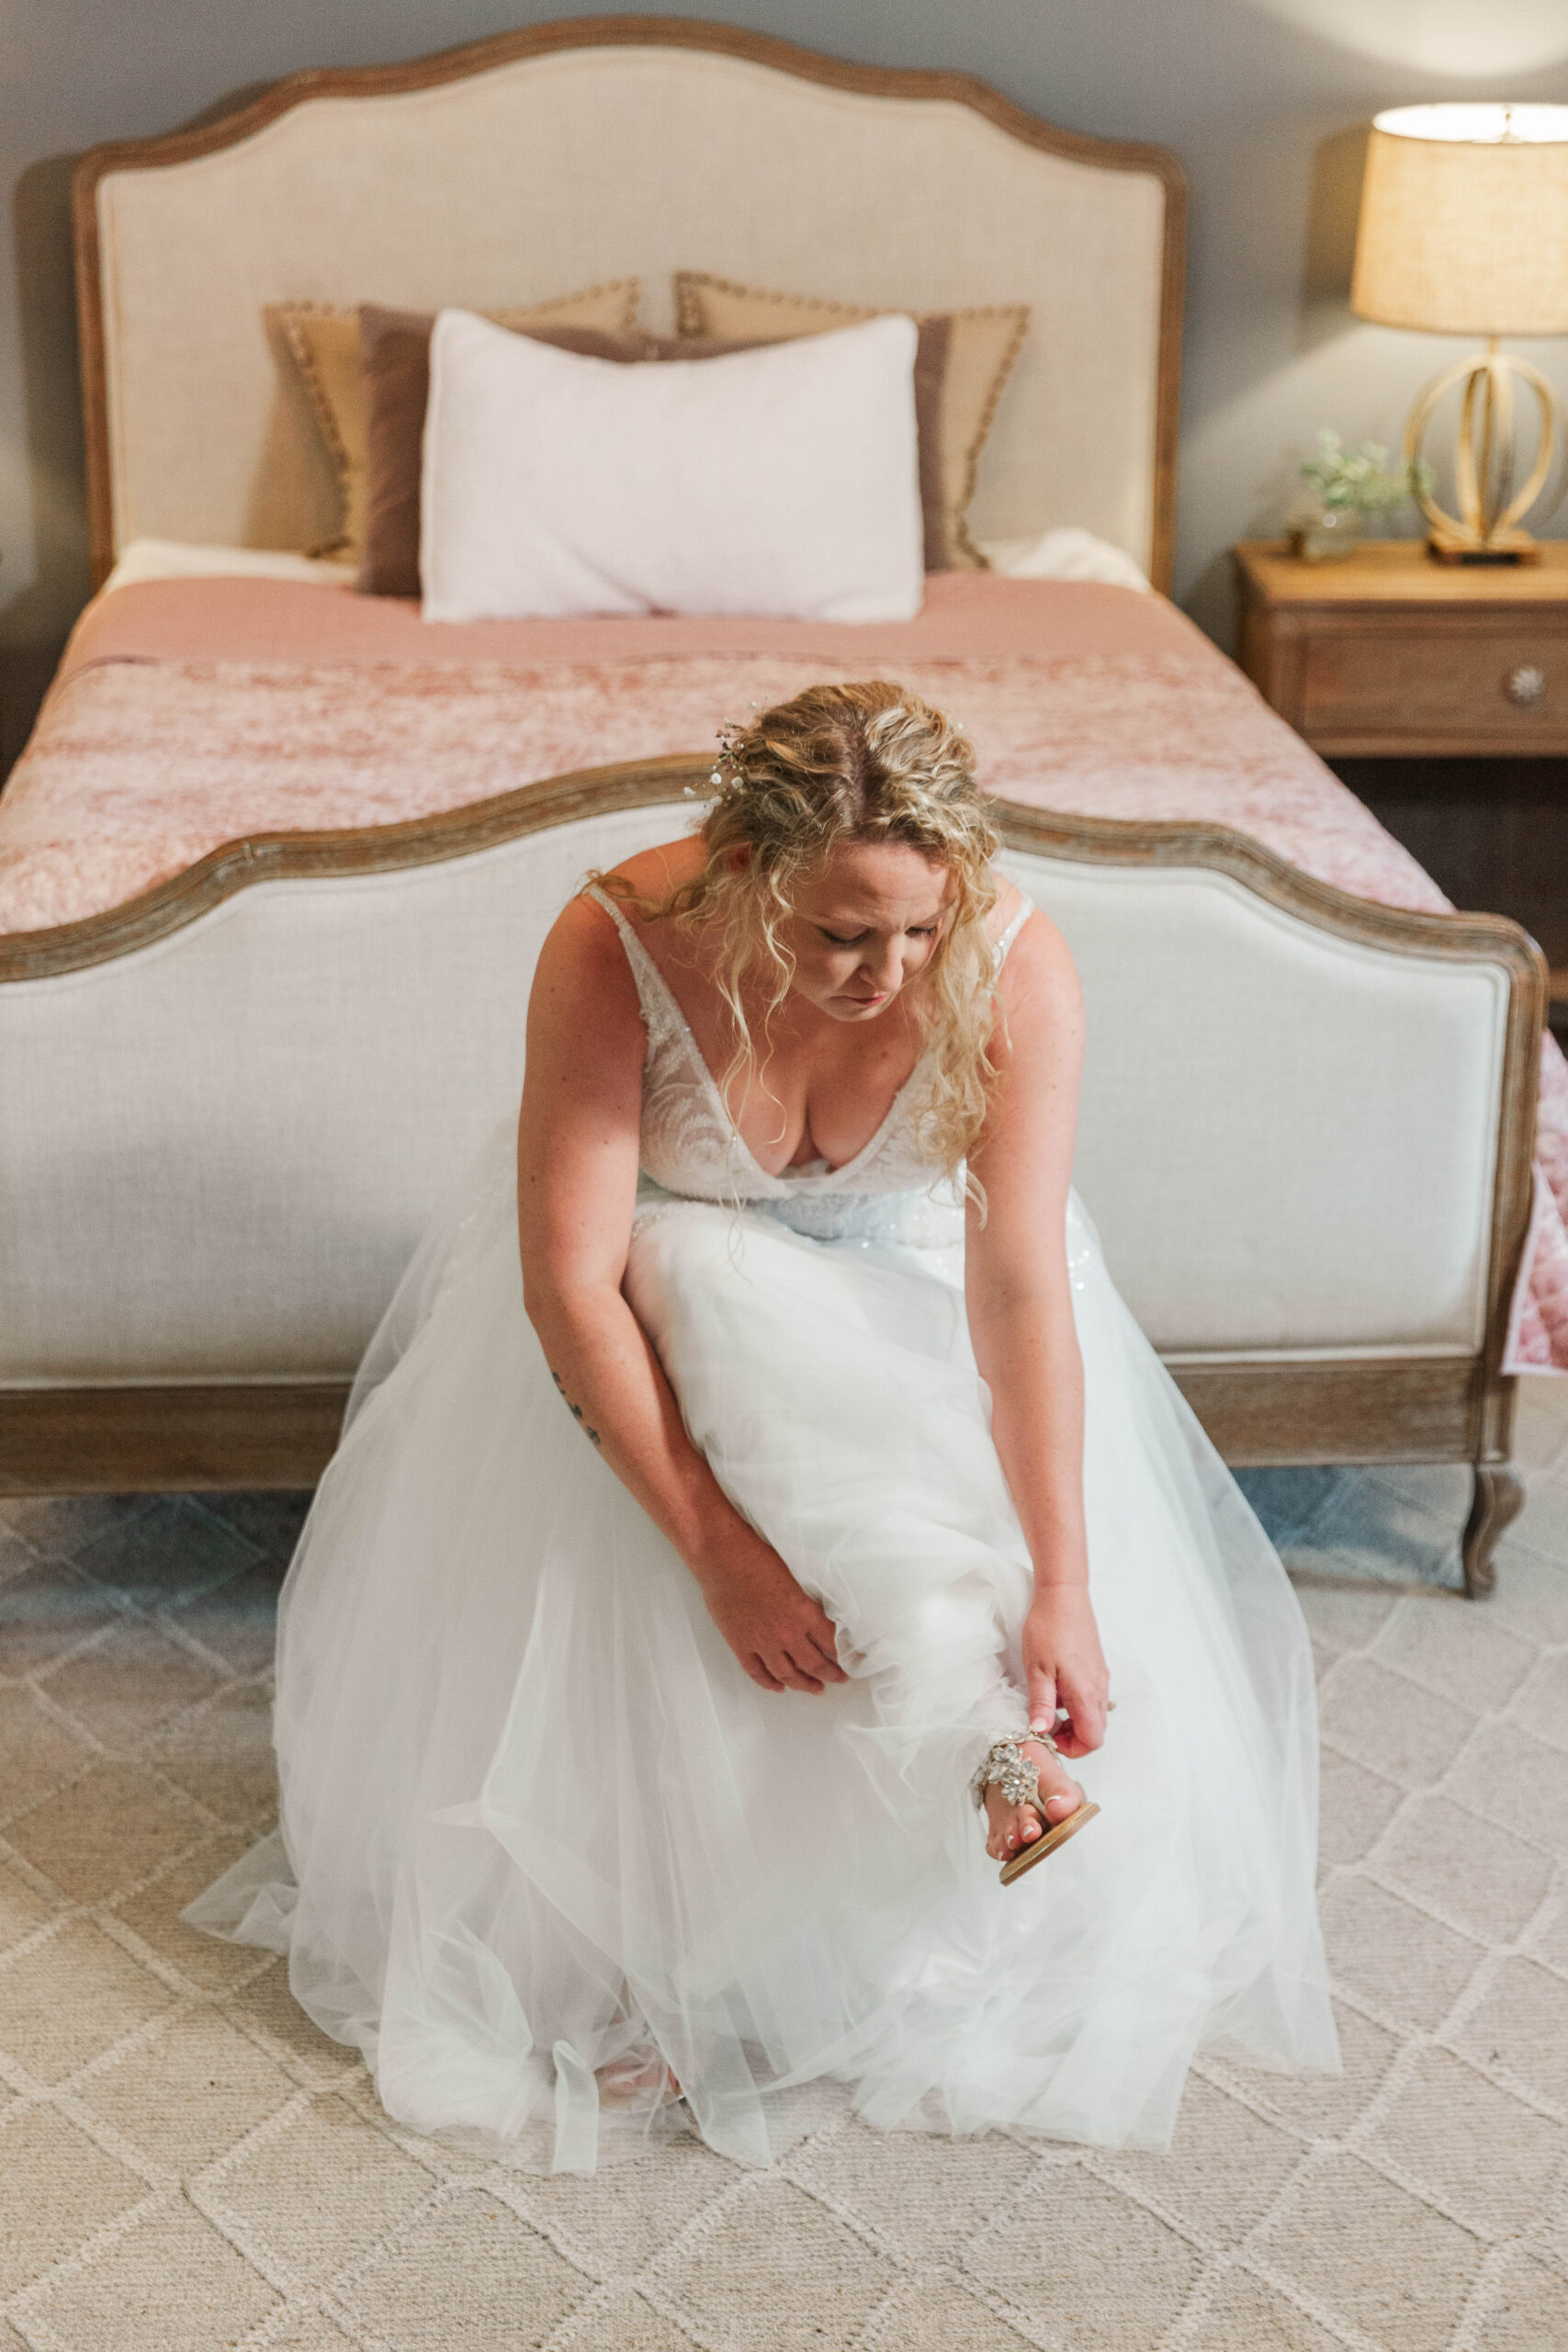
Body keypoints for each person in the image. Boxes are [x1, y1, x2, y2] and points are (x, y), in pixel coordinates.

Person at [187, 680, 1337, 2172]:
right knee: (717, 1278)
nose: (886, 973)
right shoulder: (614, 943)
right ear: (744, 876)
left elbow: (1015, 1287)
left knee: (927, 1458)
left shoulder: (1018, 963)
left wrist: (1064, 1578)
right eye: (838, 934)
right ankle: (970, 1752)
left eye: (919, 932)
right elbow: (570, 1280)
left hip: (931, 1316)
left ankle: (980, 1738)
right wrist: (720, 1548)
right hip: (662, 1330)